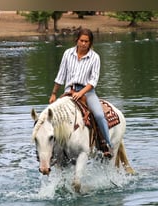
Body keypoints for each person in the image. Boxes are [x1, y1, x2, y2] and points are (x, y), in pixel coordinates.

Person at [48, 28, 113, 157]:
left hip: (87, 92)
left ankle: (107, 144)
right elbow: (60, 76)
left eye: (86, 41)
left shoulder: (95, 57)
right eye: (81, 41)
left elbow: (93, 81)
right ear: (76, 40)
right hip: (68, 91)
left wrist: (81, 93)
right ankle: (52, 148)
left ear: (90, 43)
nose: (84, 44)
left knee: (99, 115)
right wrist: (54, 93)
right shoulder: (67, 54)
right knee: (53, 115)